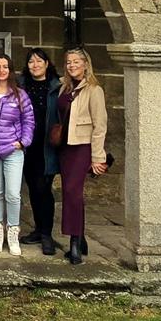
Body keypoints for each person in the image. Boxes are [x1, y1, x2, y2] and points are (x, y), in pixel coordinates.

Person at [56, 46, 109, 265]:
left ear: (85, 64)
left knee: (72, 192)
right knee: (72, 193)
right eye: (69, 62)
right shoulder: (64, 87)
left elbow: (100, 125)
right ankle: (82, 237)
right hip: (65, 146)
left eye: (76, 61)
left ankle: (75, 244)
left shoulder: (94, 90)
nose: (72, 65)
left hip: (82, 146)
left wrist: (98, 156)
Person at [0, 52, 34, 256]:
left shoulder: (19, 94)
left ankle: (13, 231)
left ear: (10, 70)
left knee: (12, 194)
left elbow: (29, 121)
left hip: (12, 150)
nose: (1, 70)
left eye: (5, 67)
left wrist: (23, 142)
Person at [19, 47, 61, 255]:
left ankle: (46, 234)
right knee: (33, 189)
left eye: (39, 61)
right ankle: (38, 229)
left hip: (47, 146)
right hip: (27, 146)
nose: (35, 65)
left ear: (46, 64)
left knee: (44, 189)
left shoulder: (56, 87)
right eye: (31, 62)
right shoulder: (21, 86)